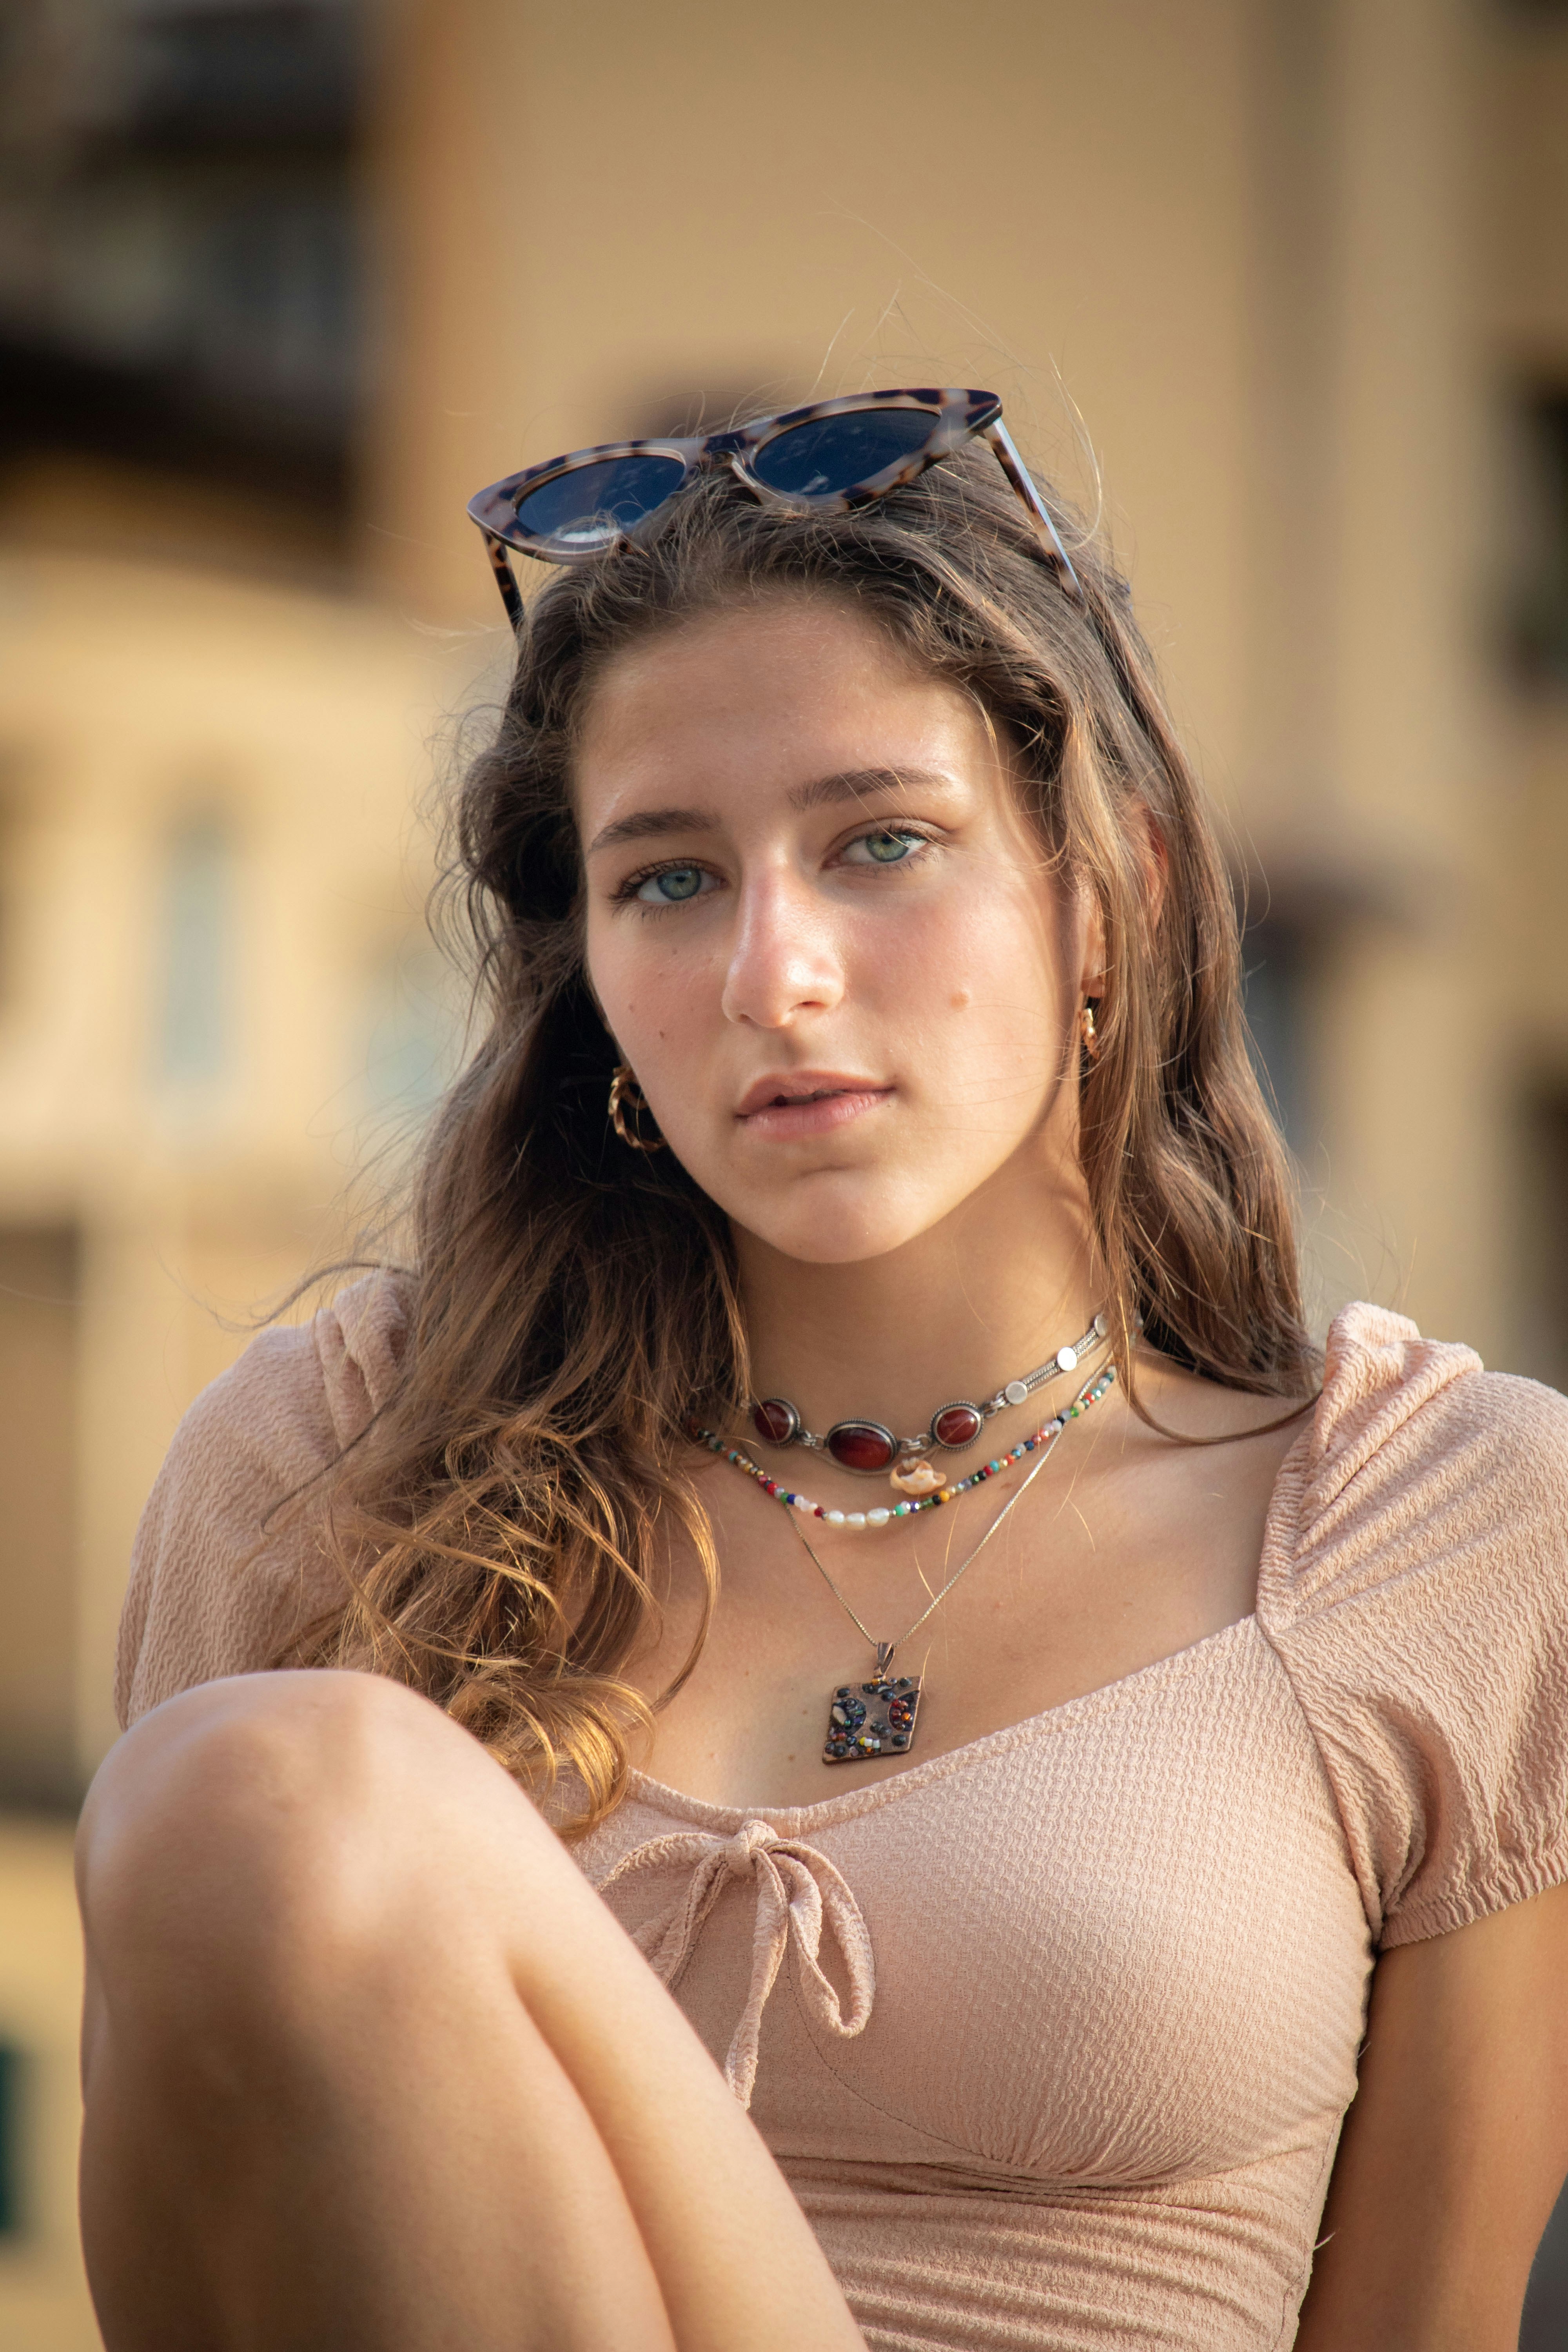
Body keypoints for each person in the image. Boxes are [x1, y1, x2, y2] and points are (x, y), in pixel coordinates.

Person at [77, 390, 1568, 2352]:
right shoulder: (332, 1466)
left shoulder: (1442, 1519)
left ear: (1100, 885)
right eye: (668, 878)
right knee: (268, 1791)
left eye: (880, 841)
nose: (773, 972)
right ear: (588, 970)